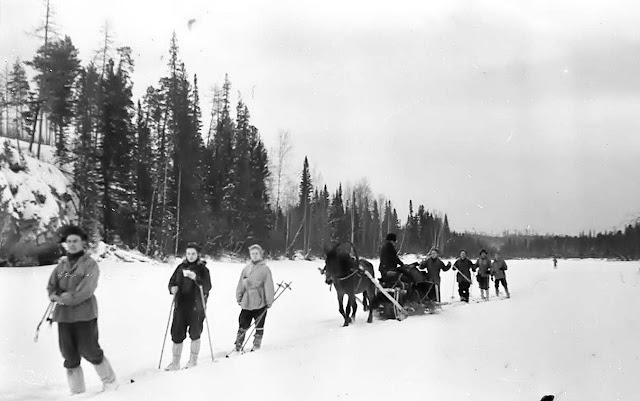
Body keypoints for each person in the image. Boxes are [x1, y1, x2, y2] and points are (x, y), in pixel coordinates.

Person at [46, 225, 118, 395]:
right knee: (68, 354)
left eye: (75, 241)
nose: (72, 244)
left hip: (84, 314)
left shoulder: (90, 264)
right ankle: (77, 391)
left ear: (83, 242)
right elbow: (51, 286)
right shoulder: (61, 265)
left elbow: (86, 289)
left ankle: (110, 381)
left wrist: (62, 298)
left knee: (90, 349)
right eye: (69, 241)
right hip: (63, 316)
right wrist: (53, 295)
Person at [165, 243, 212, 371]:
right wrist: (172, 288)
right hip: (181, 304)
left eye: (193, 254)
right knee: (177, 333)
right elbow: (172, 281)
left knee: (195, 333)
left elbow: (207, 286)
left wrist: (196, 278)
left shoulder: (203, 269)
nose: (191, 256)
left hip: (196, 306)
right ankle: (175, 362)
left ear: (198, 255)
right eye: (188, 253)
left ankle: (193, 360)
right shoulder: (180, 267)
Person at [235, 244, 275, 352]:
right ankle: (238, 343)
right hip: (247, 301)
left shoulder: (265, 269)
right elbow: (241, 284)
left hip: (260, 301)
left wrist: (269, 300)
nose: (254, 256)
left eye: (256, 253)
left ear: (261, 254)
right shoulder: (246, 269)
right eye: (252, 254)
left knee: (259, 323)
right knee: (243, 322)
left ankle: (257, 344)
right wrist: (239, 296)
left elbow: (269, 285)